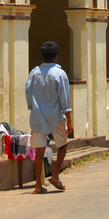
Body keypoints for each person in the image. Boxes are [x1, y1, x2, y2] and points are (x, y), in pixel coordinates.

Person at [25, 40, 73, 194]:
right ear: (56, 56)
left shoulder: (34, 72)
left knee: (39, 151)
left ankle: (38, 185)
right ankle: (56, 174)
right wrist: (69, 120)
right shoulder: (60, 73)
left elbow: (27, 90)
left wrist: (32, 107)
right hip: (56, 116)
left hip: (38, 116)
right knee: (63, 145)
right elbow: (64, 98)